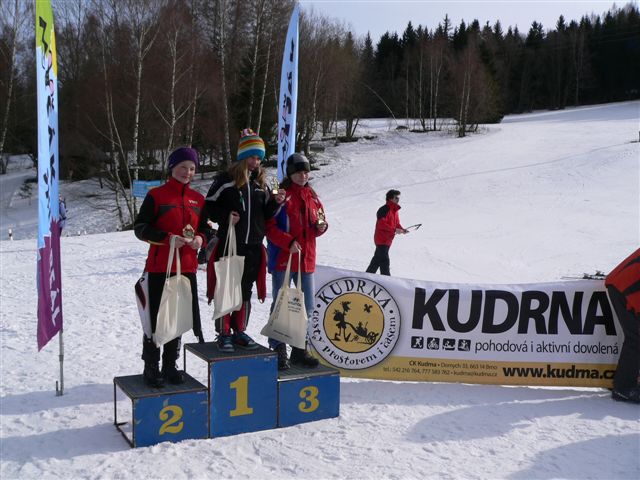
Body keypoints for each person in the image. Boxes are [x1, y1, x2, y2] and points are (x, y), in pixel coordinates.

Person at [202, 128, 285, 353]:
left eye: (259, 158)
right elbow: (208, 206)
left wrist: (276, 202)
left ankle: (239, 330)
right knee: (227, 288)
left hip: (254, 246)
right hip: (230, 243)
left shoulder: (262, 183)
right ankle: (224, 332)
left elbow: (267, 214)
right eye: (252, 157)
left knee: (245, 290)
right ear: (242, 157)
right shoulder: (226, 180)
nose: (256, 162)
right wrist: (225, 217)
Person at [134, 147, 208, 388]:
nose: (188, 172)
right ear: (172, 168)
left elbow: (206, 229)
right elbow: (140, 228)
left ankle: (169, 365)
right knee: (156, 320)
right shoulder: (156, 195)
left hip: (186, 268)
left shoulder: (198, 199)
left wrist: (201, 239)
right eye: (183, 167)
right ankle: (151, 367)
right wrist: (167, 238)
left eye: (192, 168)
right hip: (159, 268)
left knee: (178, 319)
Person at [266, 153, 328, 370]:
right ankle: (278, 349)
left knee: (307, 308)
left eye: (306, 172)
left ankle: (299, 349)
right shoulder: (281, 196)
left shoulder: (313, 197)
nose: (303, 176)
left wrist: (321, 227)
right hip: (284, 259)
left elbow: (320, 219)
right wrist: (288, 242)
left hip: (306, 260)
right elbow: (269, 227)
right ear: (290, 174)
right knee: (281, 305)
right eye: (299, 172)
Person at [605, 248, 640, 404]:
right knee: (636, 338)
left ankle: (624, 381)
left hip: (622, 282)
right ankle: (623, 388)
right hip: (626, 286)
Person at [365, 189, 408, 276]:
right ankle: (386, 278)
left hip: (388, 240)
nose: (398, 200)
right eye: (396, 198)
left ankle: (367, 277)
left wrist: (402, 229)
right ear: (390, 198)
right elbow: (381, 224)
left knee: (377, 260)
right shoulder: (384, 209)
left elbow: (397, 224)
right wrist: (395, 230)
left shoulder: (394, 211)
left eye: (398, 198)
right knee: (384, 260)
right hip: (381, 239)